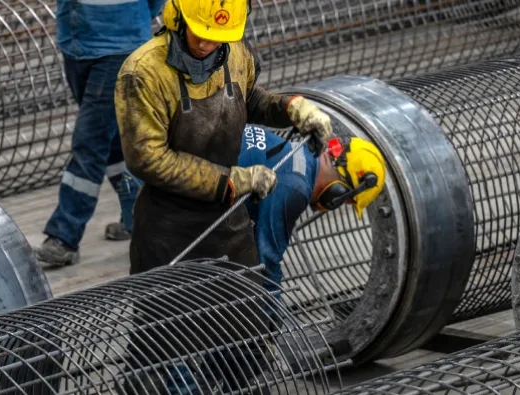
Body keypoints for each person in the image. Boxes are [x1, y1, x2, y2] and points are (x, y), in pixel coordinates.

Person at [112, 0, 333, 391]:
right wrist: (230, 181)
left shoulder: (235, 55)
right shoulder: (143, 73)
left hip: (227, 226)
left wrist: (291, 108)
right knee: (165, 347)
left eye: (220, 38)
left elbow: (248, 101)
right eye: (201, 35)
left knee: (244, 332)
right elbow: (147, 159)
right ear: (176, 18)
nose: (208, 45)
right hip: (169, 233)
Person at [34, 0, 166, 268]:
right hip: (76, 46)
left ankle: (65, 235)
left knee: (89, 141)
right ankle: (137, 217)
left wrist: (130, 22)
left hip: (119, 48)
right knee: (114, 142)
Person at [236, 125, 387, 302]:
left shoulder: (296, 152)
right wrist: (271, 316)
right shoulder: (295, 186)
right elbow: (265, 262)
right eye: (346, 201)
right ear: (338, 192)